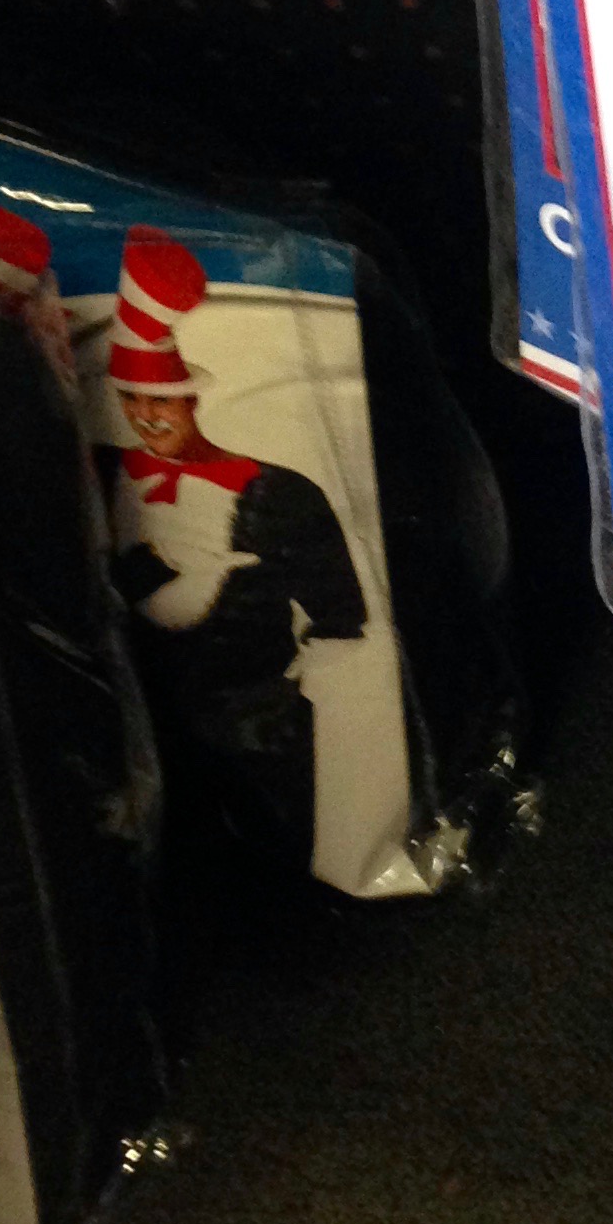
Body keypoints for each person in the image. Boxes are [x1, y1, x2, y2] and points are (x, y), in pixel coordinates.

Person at [96, 228, 368, 865]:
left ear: (192, 396)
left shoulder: (278, 491)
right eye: (131, 399)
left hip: (256, 738)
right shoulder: (101, 469)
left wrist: (293, 703)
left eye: (161, 400)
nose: (146, 416)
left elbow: (342, 620)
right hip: (134, 724)